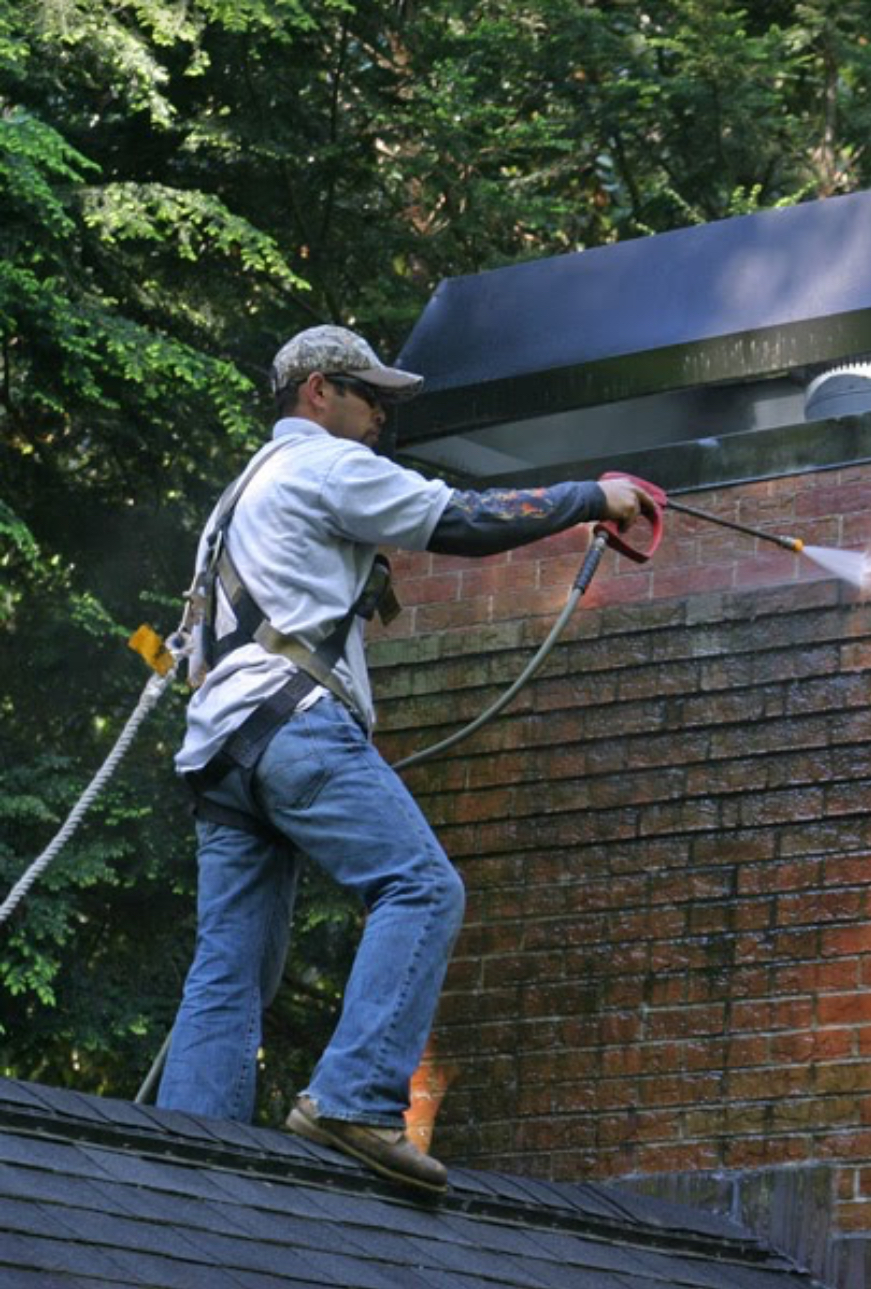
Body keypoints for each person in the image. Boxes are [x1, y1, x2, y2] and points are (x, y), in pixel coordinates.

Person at [156, 324, 654, 1195]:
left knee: (228, 967)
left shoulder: (237, 496)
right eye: (368, 394)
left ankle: (193, 1160)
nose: (382, 413)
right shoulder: (322, 465)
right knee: (422, 887)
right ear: (316, 391)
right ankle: (354, 1097)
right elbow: (458, 520)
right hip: (292, 724)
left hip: (222, 748)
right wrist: (594, 496)